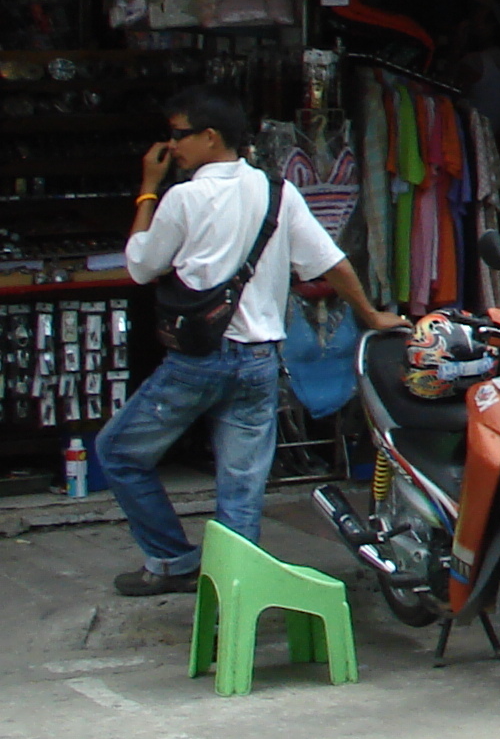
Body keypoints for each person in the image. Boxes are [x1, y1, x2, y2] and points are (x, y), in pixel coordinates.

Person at [102, 88, 403, 595]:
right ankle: (232, 596)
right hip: (260, 360)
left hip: (198, 359)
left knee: (118, 452)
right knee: (240, 489)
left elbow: (140, 266)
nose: (170, 146)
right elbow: (330, 262)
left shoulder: (183, 197)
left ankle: (172, 559)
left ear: (210, 137)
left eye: (178, 135)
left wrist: (148, 189)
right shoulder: (278, 193)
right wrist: (370, 314)